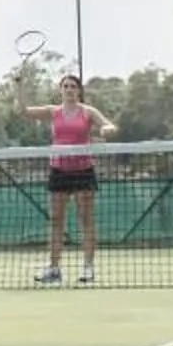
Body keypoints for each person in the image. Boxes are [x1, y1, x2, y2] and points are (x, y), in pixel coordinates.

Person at [20, 74, 119, 285]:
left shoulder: (88, 112)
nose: (69, 89)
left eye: (73, 86)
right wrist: (19, 86)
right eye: (65, 86)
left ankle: (88, 269)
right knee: (56, 222)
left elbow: (109, 125)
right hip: (59, 171)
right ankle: (54, 269)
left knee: (86, 221)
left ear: (79, 90)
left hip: (83, 171)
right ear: (60, 90)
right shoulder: (53, 112)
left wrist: (106, 129)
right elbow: (24, 111)